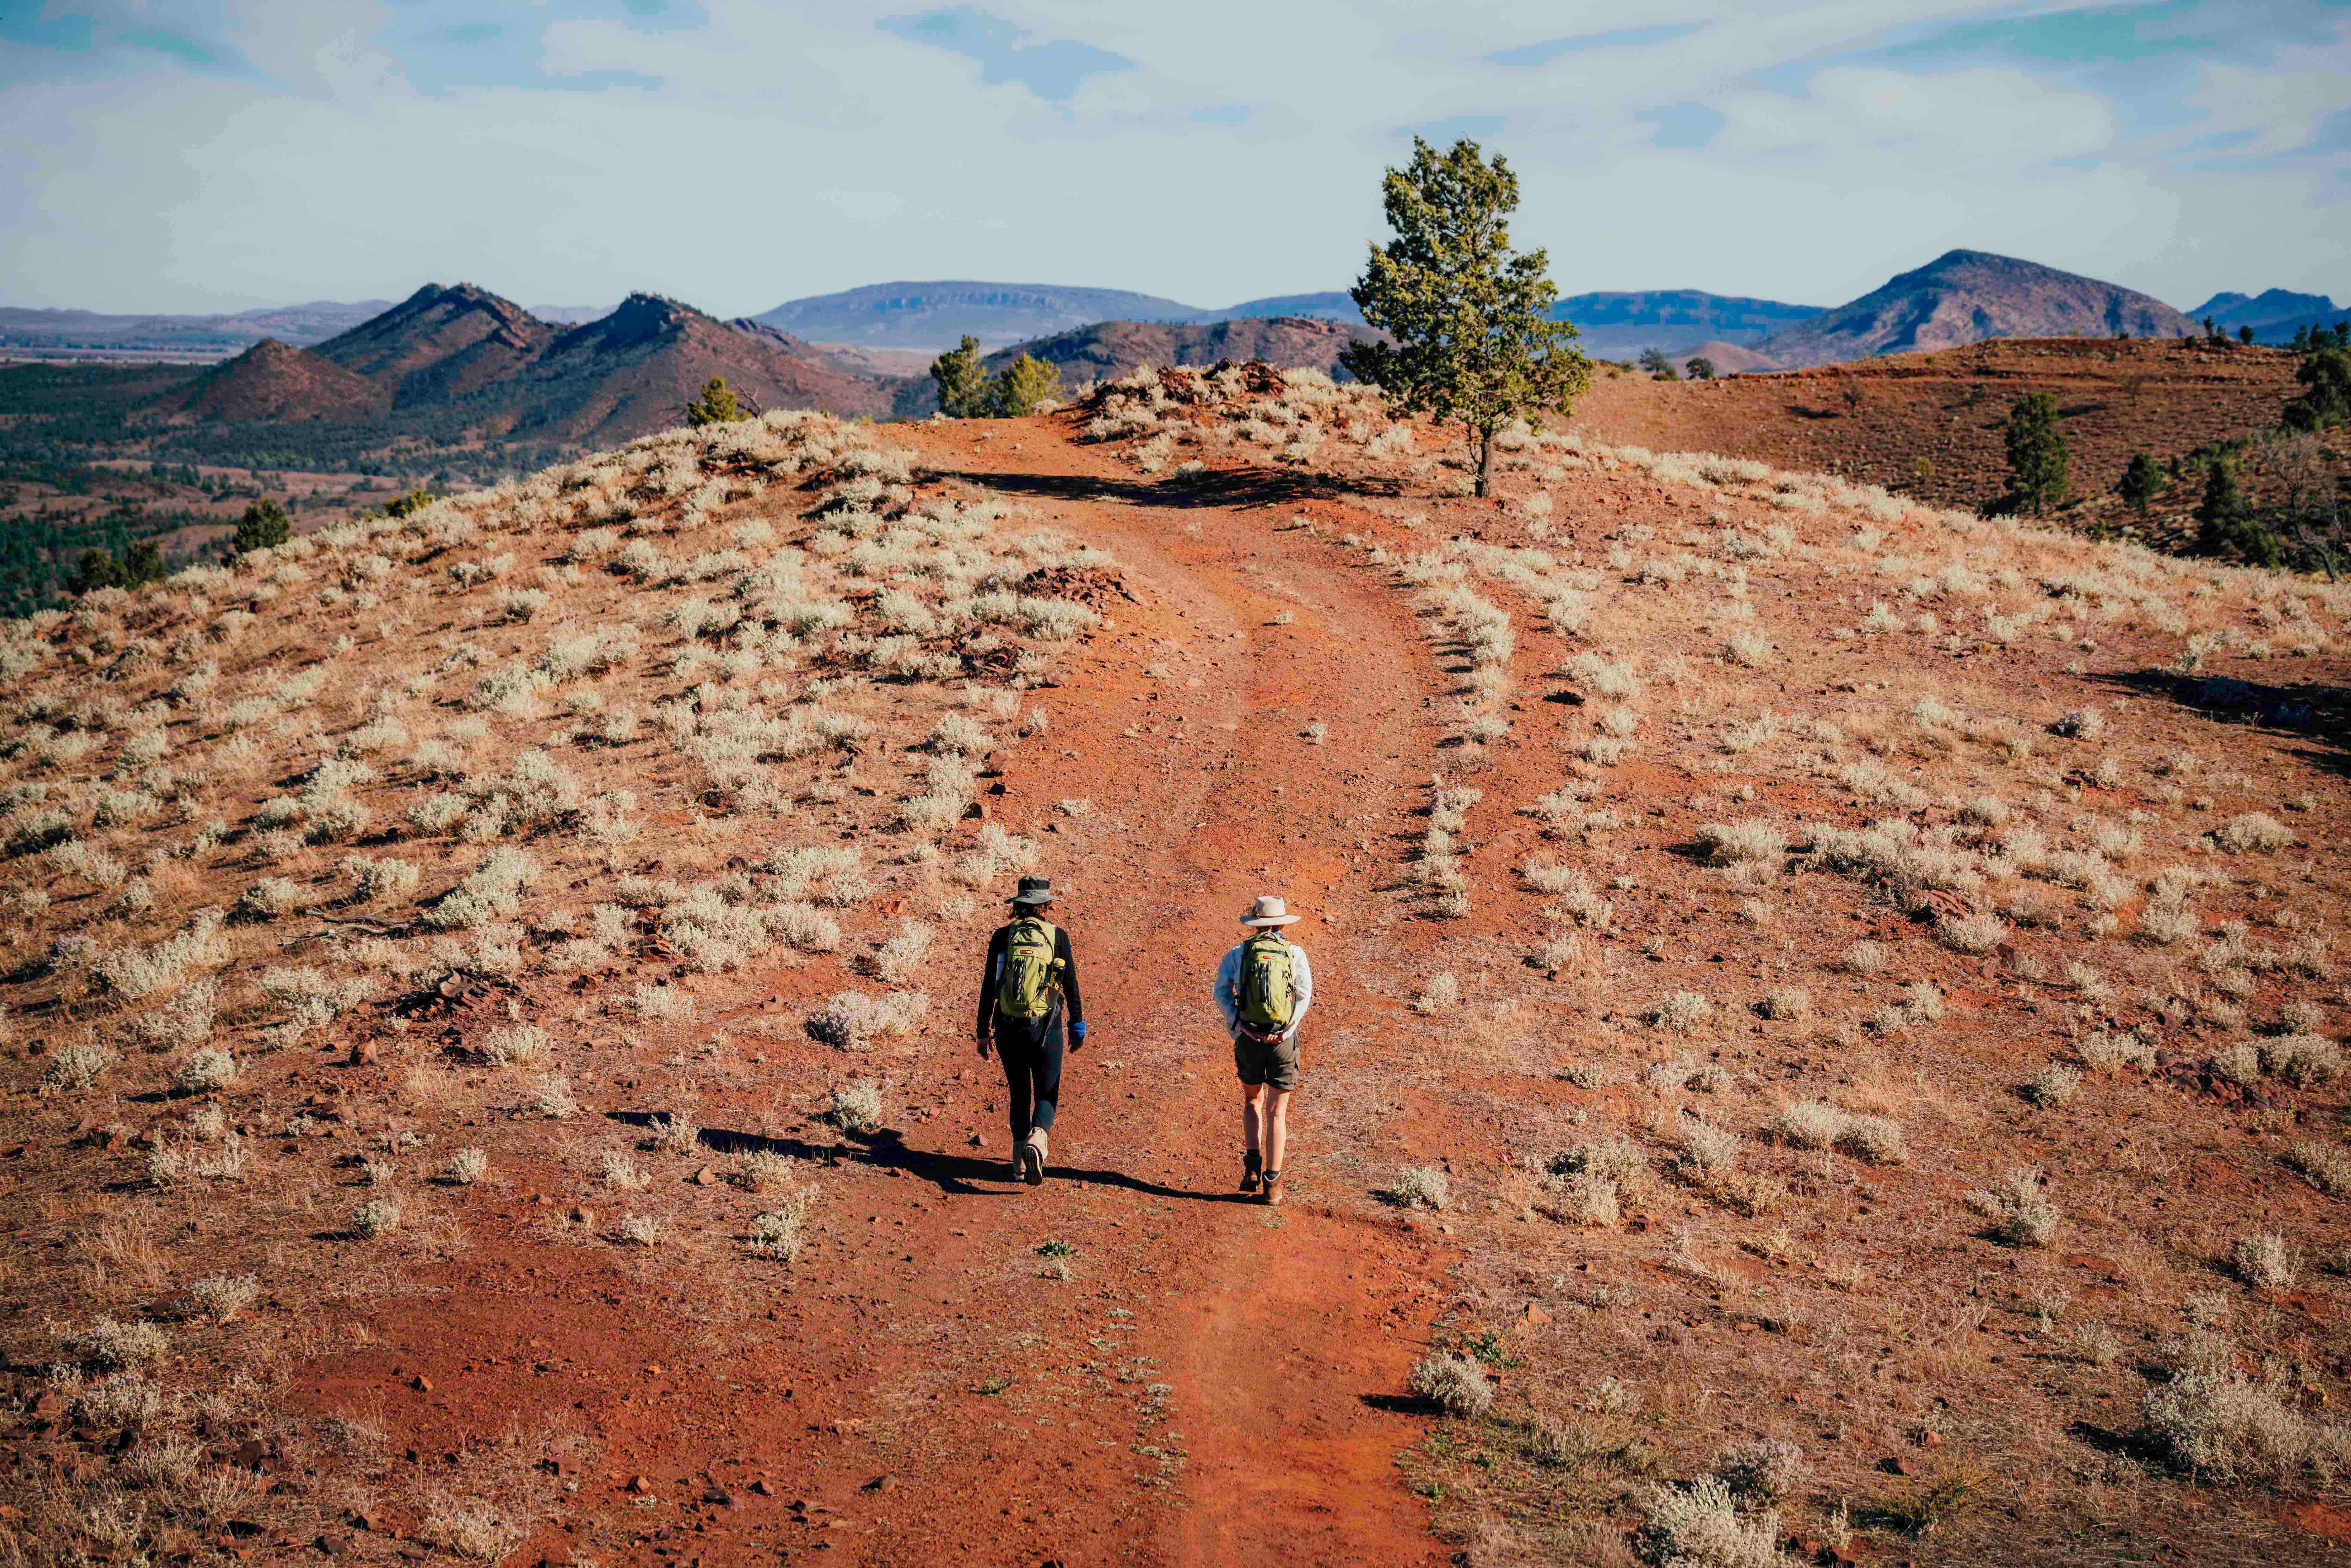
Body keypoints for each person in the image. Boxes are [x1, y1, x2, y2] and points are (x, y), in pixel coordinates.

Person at [974, 875, 1087, 1186]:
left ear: (1018, 905)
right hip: (1045, 1028)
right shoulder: (1056, 936)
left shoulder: (1002, 937)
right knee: (1047, 1092)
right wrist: (1077, 1025)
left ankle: (1019, 1162)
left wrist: (983, 1031)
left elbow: (989, 987)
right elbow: (1071, 985)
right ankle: (1038, 1140)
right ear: (1046, 904)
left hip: (1009, 1029)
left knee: (1019, 1091)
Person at [1213, 895, 1313, 1205]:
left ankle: (1252, 1168)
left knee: (1252, 1100)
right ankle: (1273, 1185)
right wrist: (1287, 1029)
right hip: (1282, 1042)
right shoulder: (1294, 953)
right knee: (1277, 1112)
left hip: (1249, 1040)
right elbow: (1303, 995)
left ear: (1254, 924)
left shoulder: (1238, 953)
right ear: (1282, 923)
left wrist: (1239, 1025)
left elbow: (1220, 993)